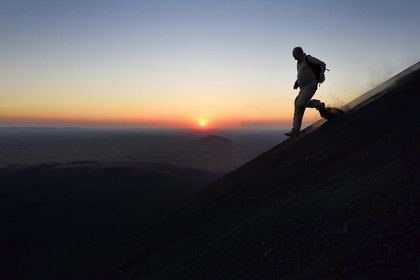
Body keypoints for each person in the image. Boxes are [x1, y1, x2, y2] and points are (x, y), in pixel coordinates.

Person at [285, 47, 327, 137]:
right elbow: (302, 73)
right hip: (303, 88)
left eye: (295, 56)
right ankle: (295, 130)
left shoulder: (308, 58)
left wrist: (321, 74)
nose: (294, 58)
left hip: (311, 85)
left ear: (300, 53)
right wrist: (297, 82)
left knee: (301, 102)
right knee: (297, 104)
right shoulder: (299, 63)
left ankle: (319, 105)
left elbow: (322, 64)